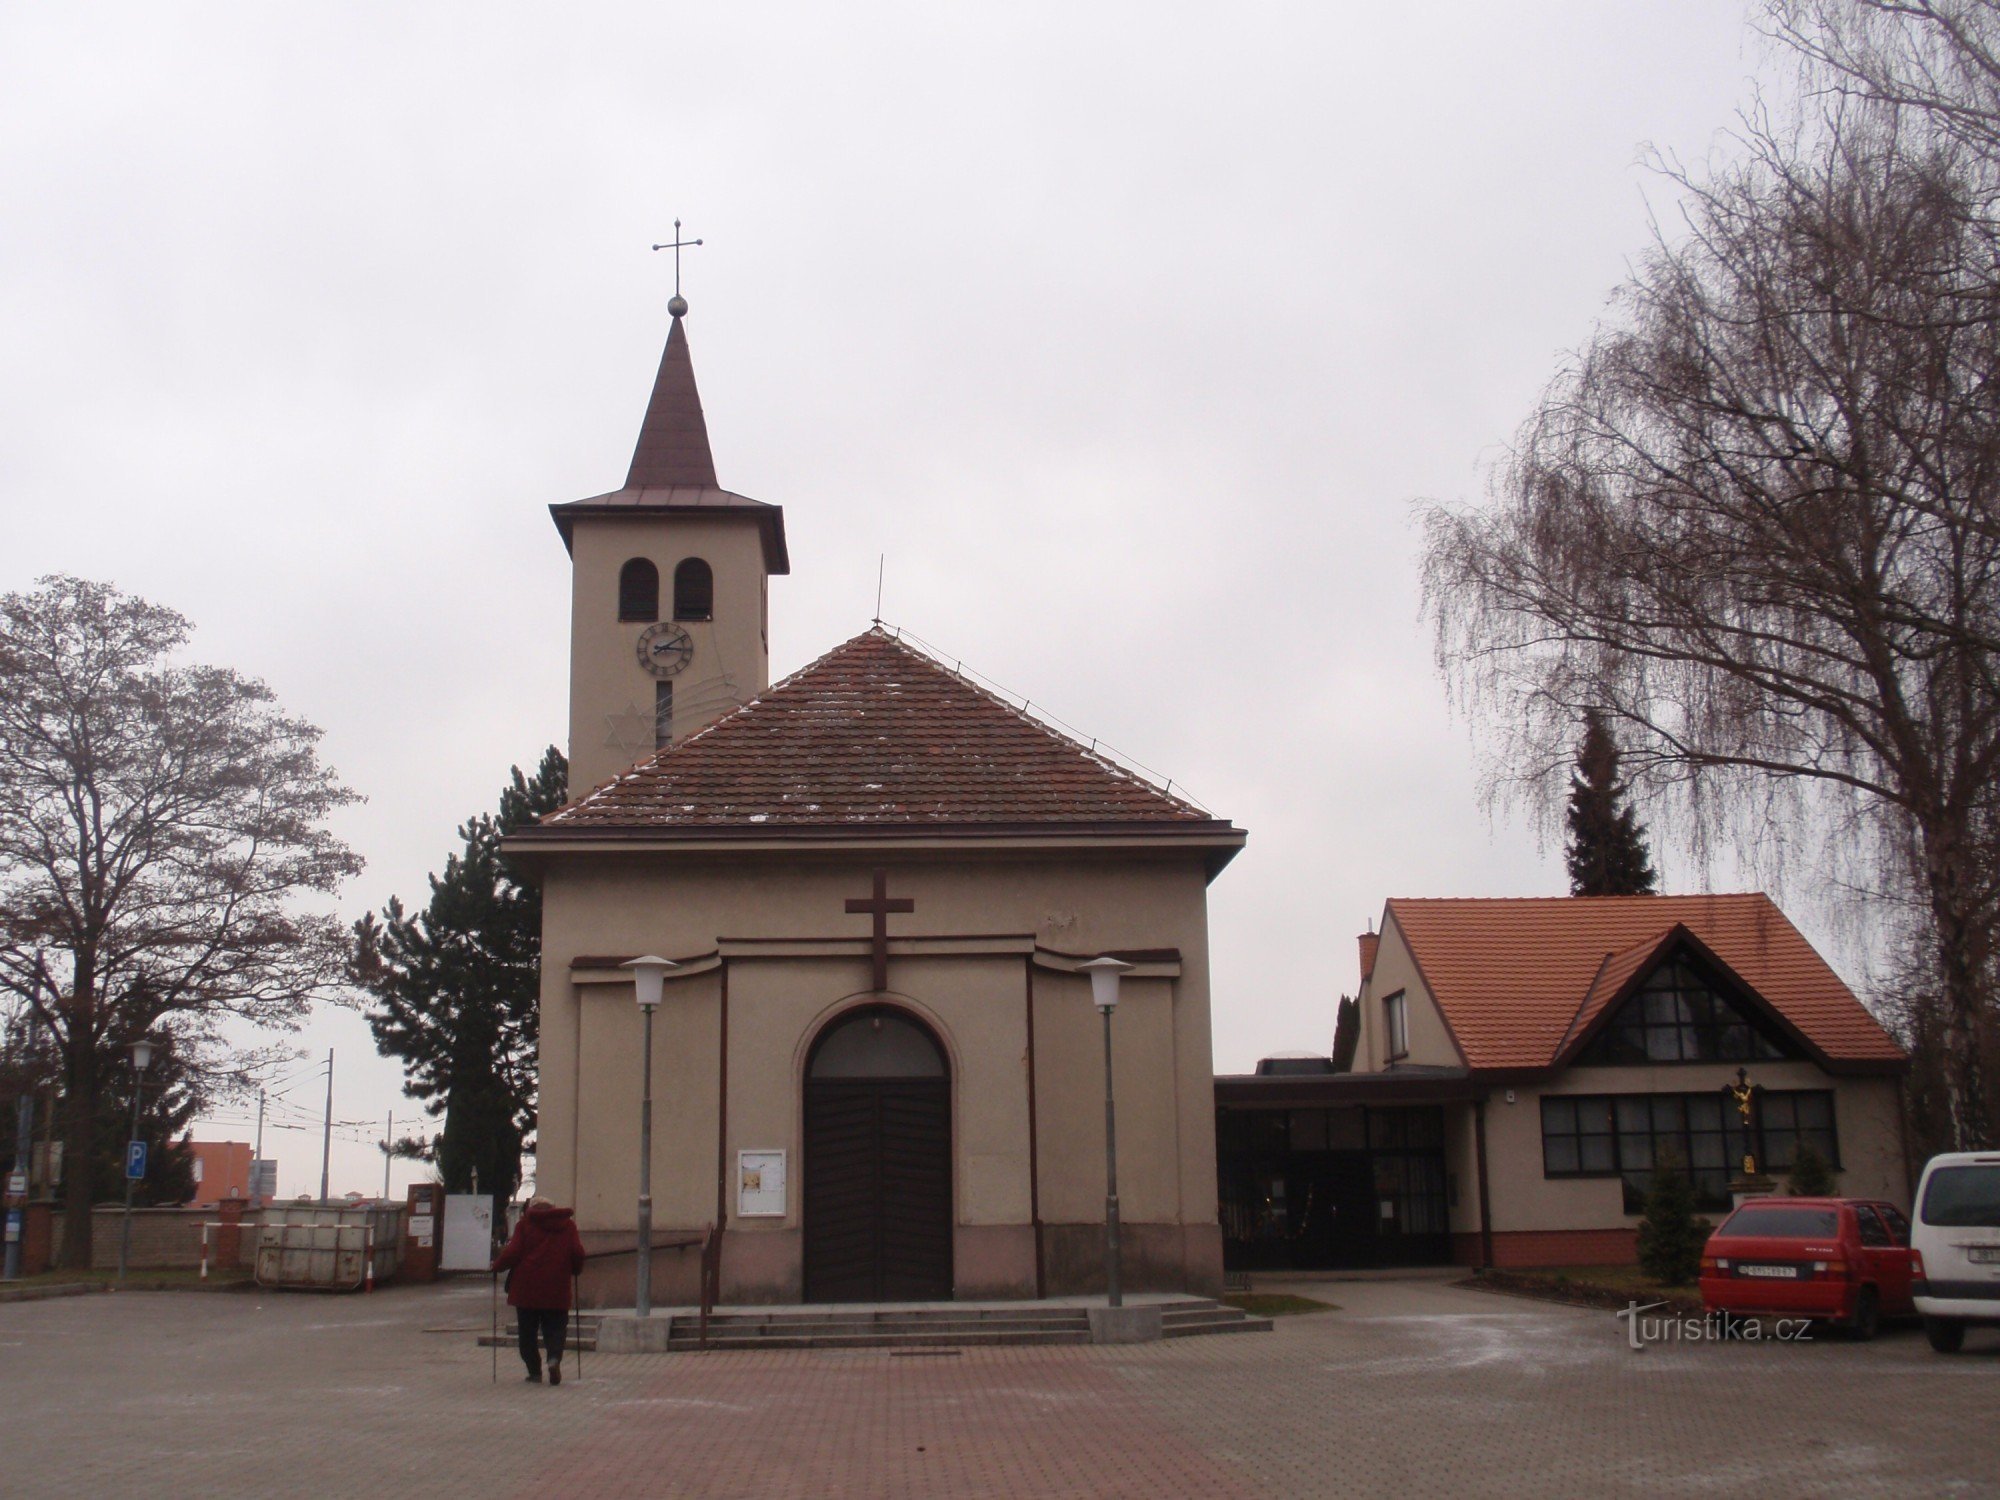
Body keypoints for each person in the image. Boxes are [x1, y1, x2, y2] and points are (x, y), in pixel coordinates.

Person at [491, 1198, 587, 1385]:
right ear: (553, 1208)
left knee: (527, 1333)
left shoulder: (525, 1225)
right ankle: (553, 1359)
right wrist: (575, 1269)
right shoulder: (568, 1226)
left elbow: (513, 1253)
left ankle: (534, 1371)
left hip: (527, 1289)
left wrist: (497, 1267)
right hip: (558, 1287)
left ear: (531, 1208)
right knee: (556, 1329)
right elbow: (577, 1252)